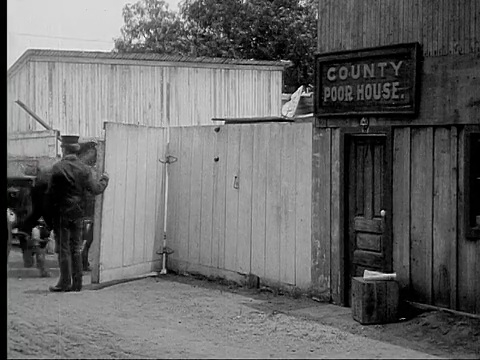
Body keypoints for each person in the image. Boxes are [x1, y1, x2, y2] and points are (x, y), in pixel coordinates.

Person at [47, 135, 109, 292]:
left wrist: (49, 217)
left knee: (64, 248)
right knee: (76, 248)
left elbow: (50, 195)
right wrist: (104, 180)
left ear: (64, 149)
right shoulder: (85, 169)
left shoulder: (57, 168)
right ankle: (77, 284)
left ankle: (65, 282)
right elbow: (95, 189)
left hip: (62, 213)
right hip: (78, 213)